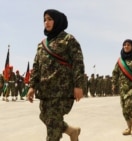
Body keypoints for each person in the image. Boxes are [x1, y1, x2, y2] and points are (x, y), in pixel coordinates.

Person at [26, 9, 85, 141]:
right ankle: (72, 131)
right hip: (45, 90)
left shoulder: (68, 40)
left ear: (57, 21)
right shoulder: (42, 45)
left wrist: (78, 85)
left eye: (50, 19)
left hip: (62, 91)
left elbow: (78, 63)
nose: (46, 22)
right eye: (44, 20)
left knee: (52, 127)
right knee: (45, 117)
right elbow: (36, 67)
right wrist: (32, 87)